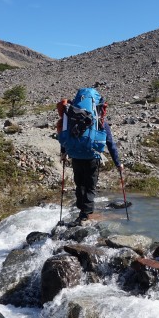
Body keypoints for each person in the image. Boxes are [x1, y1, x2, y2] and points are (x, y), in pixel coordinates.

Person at [58, 90, 123, 224]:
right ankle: (85, 214)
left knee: (80, 183)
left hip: (75, 155)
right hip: (92, 156)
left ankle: (81, 210)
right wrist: (118, 163)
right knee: (90, 185)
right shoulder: (100, 121)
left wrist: (63, 152)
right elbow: (110, 143)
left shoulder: (72, 118)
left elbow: (65, 135)